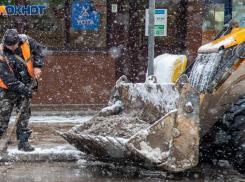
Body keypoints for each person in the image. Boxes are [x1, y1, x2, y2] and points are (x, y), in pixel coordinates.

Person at [0, 29, 44, 151]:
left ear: (18, 42)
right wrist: (24, 90)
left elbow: (39, 51)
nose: (11, 48)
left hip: (26, 83)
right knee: (2, 115)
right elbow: (9, 80)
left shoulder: (27, 41)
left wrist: (37, 67)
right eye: (8, 46)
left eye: (13, 45)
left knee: (24, 115)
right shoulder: (1, 54)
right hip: (6, 89)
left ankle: (23, 143)